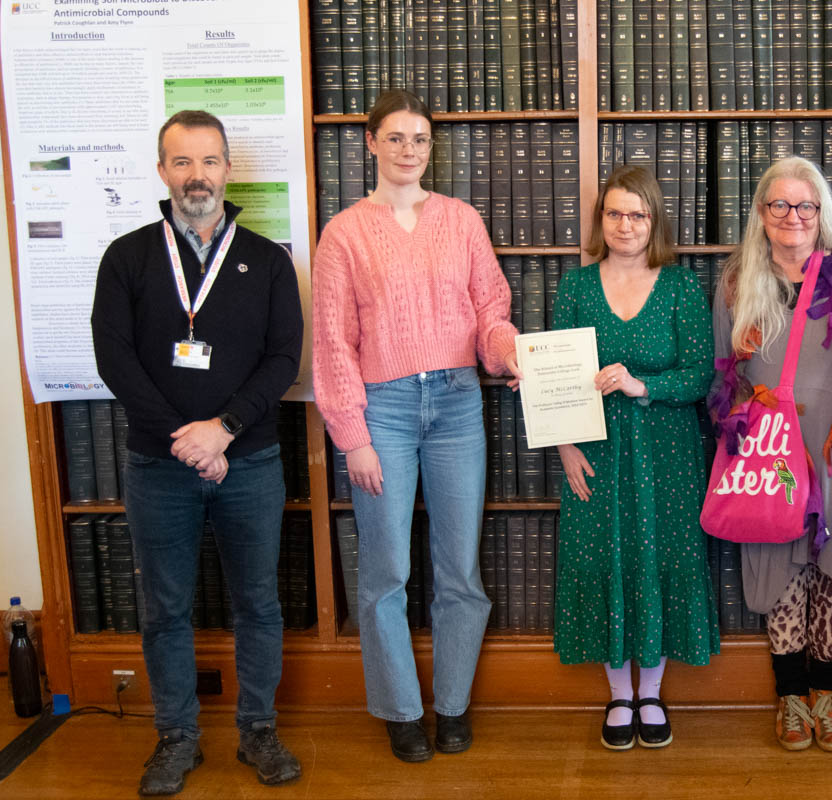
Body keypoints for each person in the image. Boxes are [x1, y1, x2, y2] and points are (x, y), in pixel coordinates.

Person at [91, 110, 304, 796]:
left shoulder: (268, 260)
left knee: (258, 604)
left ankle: (258, 731)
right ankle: (177, 738)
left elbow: (282, 359)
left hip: (251, 461)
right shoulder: (127, 257)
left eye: (209, 161)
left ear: (228, 169)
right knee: (165, 609)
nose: (197, 176)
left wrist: (225, 429)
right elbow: (114, 360)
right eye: (182, 163)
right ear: (161, 172)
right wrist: (187, 439)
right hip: (160, 465)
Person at [311, 89, 520, 763]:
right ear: (370, 143)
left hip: (459, 401)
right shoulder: (343, 233)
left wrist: (504, 349)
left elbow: (489, 305)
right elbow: (334, 343)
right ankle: (401, 711)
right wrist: (354, 436)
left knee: (460, 568)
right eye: (396, 138)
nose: (409, 150)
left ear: (432, 148)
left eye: (420, 139)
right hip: (385, 410)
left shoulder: (460, 221)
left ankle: (452, 707)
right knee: (386, 571)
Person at [710, 156, 832, 753]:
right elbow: (723, 377)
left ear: (823, 215)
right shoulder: (738, 282)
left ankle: (828, 698)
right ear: (762, 215)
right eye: (780, 205)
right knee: (782, 579)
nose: (794, 216)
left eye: (806, 206)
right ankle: (791, 699)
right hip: (769, 463)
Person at [552, 165, 719, 750]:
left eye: (637, 214)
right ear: (602, 220)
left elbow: (701, 375)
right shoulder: (574, 287)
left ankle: (651, 691)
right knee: (604, 558)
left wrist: (641, 384)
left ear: (655, 222)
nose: (625, 225)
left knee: (659, 558)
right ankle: (618, 693)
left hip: (667, 452)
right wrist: (566, 447)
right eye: (615, 213)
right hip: (594, 449)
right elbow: (556, 376)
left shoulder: (680, 287)